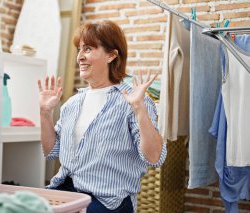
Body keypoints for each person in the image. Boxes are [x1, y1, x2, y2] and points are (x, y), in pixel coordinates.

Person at [37, 20, 167, 213]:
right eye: (79, 49)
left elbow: (155, 158)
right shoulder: (72, 104)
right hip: (68, 191)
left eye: (88, 49)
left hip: (109, 200)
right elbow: (51, 151)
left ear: (112, 55)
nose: (80, 56)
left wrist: (139, 108)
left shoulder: (132, 101)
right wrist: (45, 113)